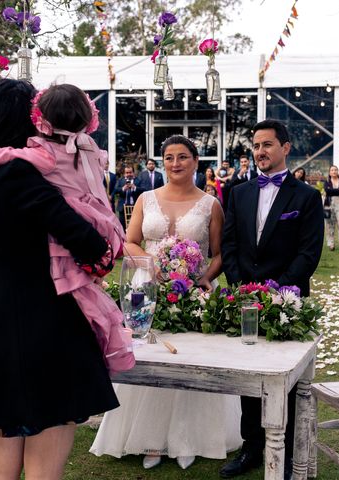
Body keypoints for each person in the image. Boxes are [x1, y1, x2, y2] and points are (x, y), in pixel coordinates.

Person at [0, 79, 119, 480]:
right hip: (45, 330)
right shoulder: (19, 175)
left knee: (0, 464)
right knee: (44, 470)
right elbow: (92, 245)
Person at [90, 135, 240, 470]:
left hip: (195, 292)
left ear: (196, 162)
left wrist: (204, 278)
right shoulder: (146, 198)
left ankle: (189, 438)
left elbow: (219, 254)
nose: (176, 163)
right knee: (152, 356)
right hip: (149, 289)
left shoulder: (211, 203)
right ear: (161, 162)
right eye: (169, 157)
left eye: (183, 157)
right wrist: (151, 263)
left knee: (190, 360)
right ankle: (149, 439)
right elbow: (128, 242)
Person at [0, 83, 133, 374]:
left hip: (0, 307)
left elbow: (5, 156)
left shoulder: (35, 155)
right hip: (94, 219)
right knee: (86, 285)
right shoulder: (88, 147)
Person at [221, 119, 324, 479]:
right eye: (256, 145)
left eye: (267, 145)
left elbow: (308, 255)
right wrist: (241, 289)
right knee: (247, 378)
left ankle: (286, 450)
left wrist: (277, 291)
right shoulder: (238, 193)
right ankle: (251, 445)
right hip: (244, 302)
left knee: (288, 380)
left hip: (288, 302)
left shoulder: (307, 197)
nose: (260, 151)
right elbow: (229, 245)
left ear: (285, 147)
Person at [323, 165, 339, 251]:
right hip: (329, 205)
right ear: (329, 172)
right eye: (332, 170)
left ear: (338, 172)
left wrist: (334, 191)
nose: (334, 172)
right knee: (329, 225)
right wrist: (338, 190)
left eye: (335, 170)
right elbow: (327, 191)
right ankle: (331, 244)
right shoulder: (326, 182)